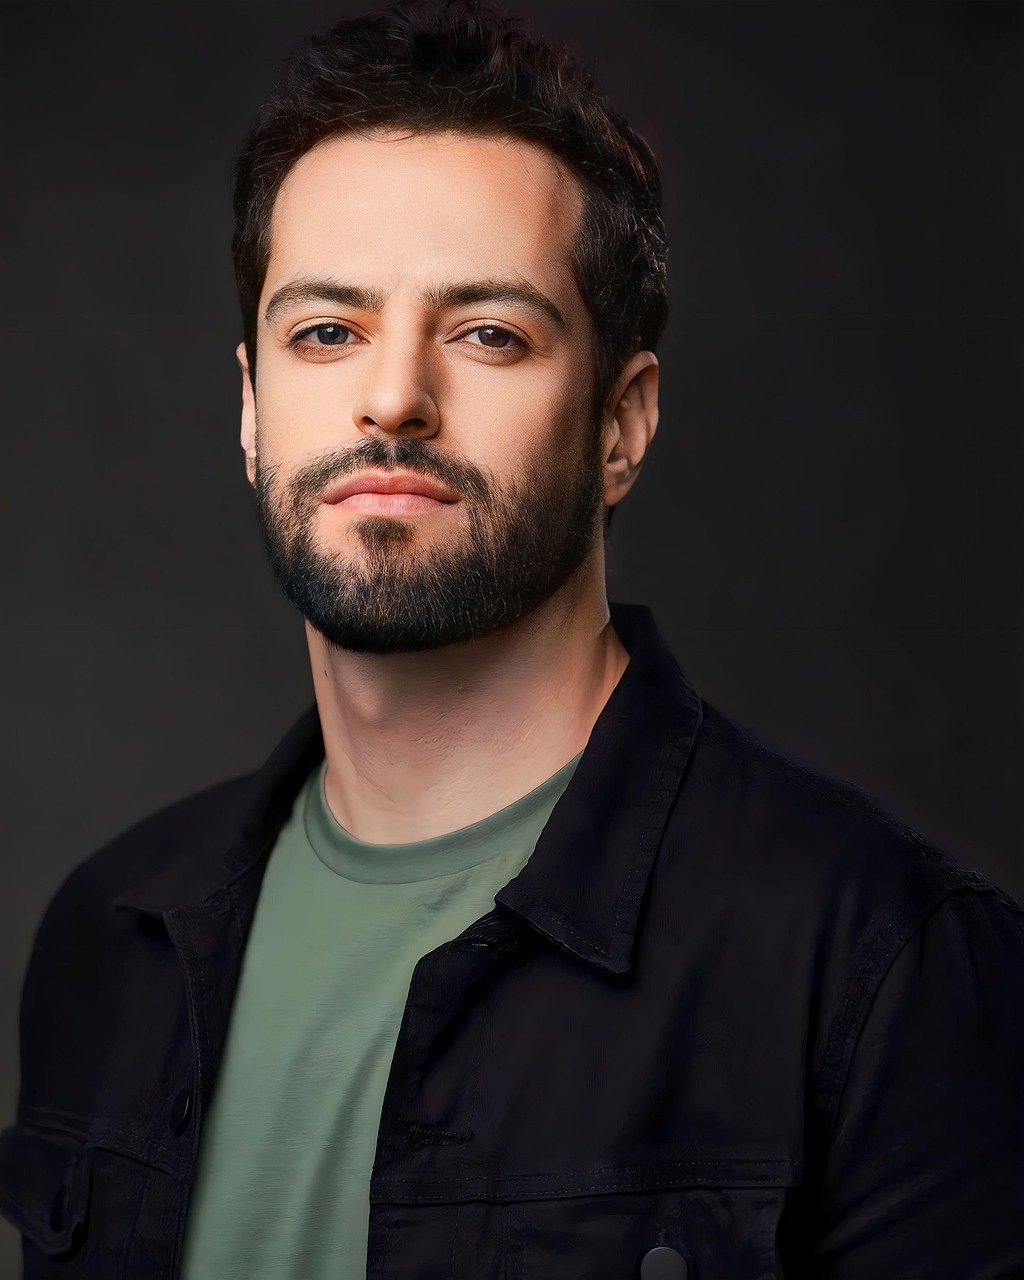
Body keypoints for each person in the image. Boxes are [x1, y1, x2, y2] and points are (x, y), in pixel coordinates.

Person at [2, 1, 1022, 1276]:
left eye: (489, 332)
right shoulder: (111, 934)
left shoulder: (883, 960)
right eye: (328, 330)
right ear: (252, 407)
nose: (391, 396)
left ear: (622, 424)